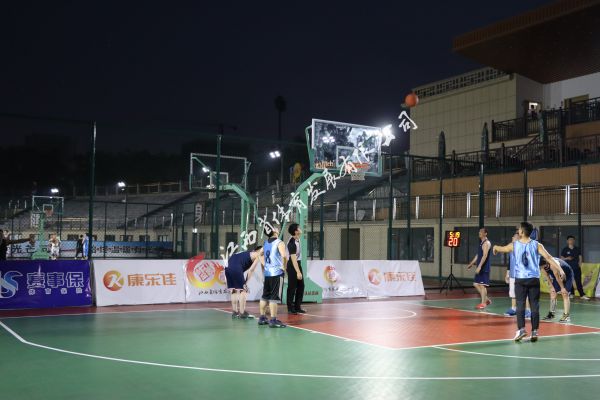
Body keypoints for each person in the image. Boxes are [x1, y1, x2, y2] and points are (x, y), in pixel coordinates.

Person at [493, 222, 564, 343]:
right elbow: (549, 257)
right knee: (534, 305)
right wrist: (560, 269)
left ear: (521, 232)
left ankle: (521, 329)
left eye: (519, 229)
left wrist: (495, 247)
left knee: (520, 305)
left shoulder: (514, 245)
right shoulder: (537, 245)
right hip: (533, 279)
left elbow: (502, 249)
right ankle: (535, 331)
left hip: (520, 280)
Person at [258, 226, 287, 328]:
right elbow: (284, 256)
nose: (278, 229)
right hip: (276, 273)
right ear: (274, 231)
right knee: (274, 297)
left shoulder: (266, 243)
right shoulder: (279, 242)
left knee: (265, 296)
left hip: (268, 273)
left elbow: (260, 254)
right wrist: (284, 267)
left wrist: (265, 265)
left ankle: (262, 318)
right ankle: (273, 320)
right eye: (275, 228)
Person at [225, 246, 263, 319]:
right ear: (259, 251)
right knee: (243, 290)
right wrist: (245, 283)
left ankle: (235, 312)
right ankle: (242, 313)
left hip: (228, 267)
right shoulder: (257, 255)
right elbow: (251, 270)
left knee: (233, 290)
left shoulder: (246, 253)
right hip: (236, 267)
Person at [504, 232, 532, 318]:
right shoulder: (511, 248)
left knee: (524, 293)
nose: (513, 237)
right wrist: (507, 274)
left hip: (522, 275)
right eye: (513, 236)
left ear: (519, 238)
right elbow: (510, 262)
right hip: (513, 275)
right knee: (513, 293)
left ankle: (528, 310)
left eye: (515, 237)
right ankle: (514, 309)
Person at [466, 227, 491, 309]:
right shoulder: (481, 243)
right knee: (476, 284)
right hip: (480, 267)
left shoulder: (486, 243)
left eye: (481, 232)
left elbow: (485, 255)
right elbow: (478, 255)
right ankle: (486, 300)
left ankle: (483, 303)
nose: (479, 233)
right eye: (479, 231)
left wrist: (480, 267)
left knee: (482, 285)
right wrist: (471, 263)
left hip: (484, 267)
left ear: (485, 233)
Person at [541, 257, 572, 323]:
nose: (541, 268)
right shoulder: (542, 267)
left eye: (542, 266)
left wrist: (562, 288)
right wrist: (552, 287)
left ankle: (566, 316)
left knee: (565, 294)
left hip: (567, 274)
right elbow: (547, 277)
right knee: (553, 293)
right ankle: (551, 314)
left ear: (545, 263)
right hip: (557, 276)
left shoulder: (553, 265)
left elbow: (558, 278)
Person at [560, 236, 589, 300]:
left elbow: (580, 257)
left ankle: (582, 295)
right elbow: (561, 258)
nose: (571, 241)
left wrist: (580, 264)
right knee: (570, 281)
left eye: (573, 240)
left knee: (578, 281)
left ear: (574, 241)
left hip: (576, 268)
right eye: (570, 240)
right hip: (568, 269)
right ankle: (571, 293)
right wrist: (567, 258)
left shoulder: (577, 249)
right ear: (567, 241)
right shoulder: (565, 249)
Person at [286, 223, 306, 315]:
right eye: (299, 228)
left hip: (298, 263)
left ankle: (297, 307)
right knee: (292, 287)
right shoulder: (292, 243)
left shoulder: (297, 239)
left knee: (301, 286)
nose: (300, 229)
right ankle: (290, 308)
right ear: (296, 231)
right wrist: (298, 272)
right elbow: (293, 259)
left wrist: (299, 270)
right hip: (291, 265)